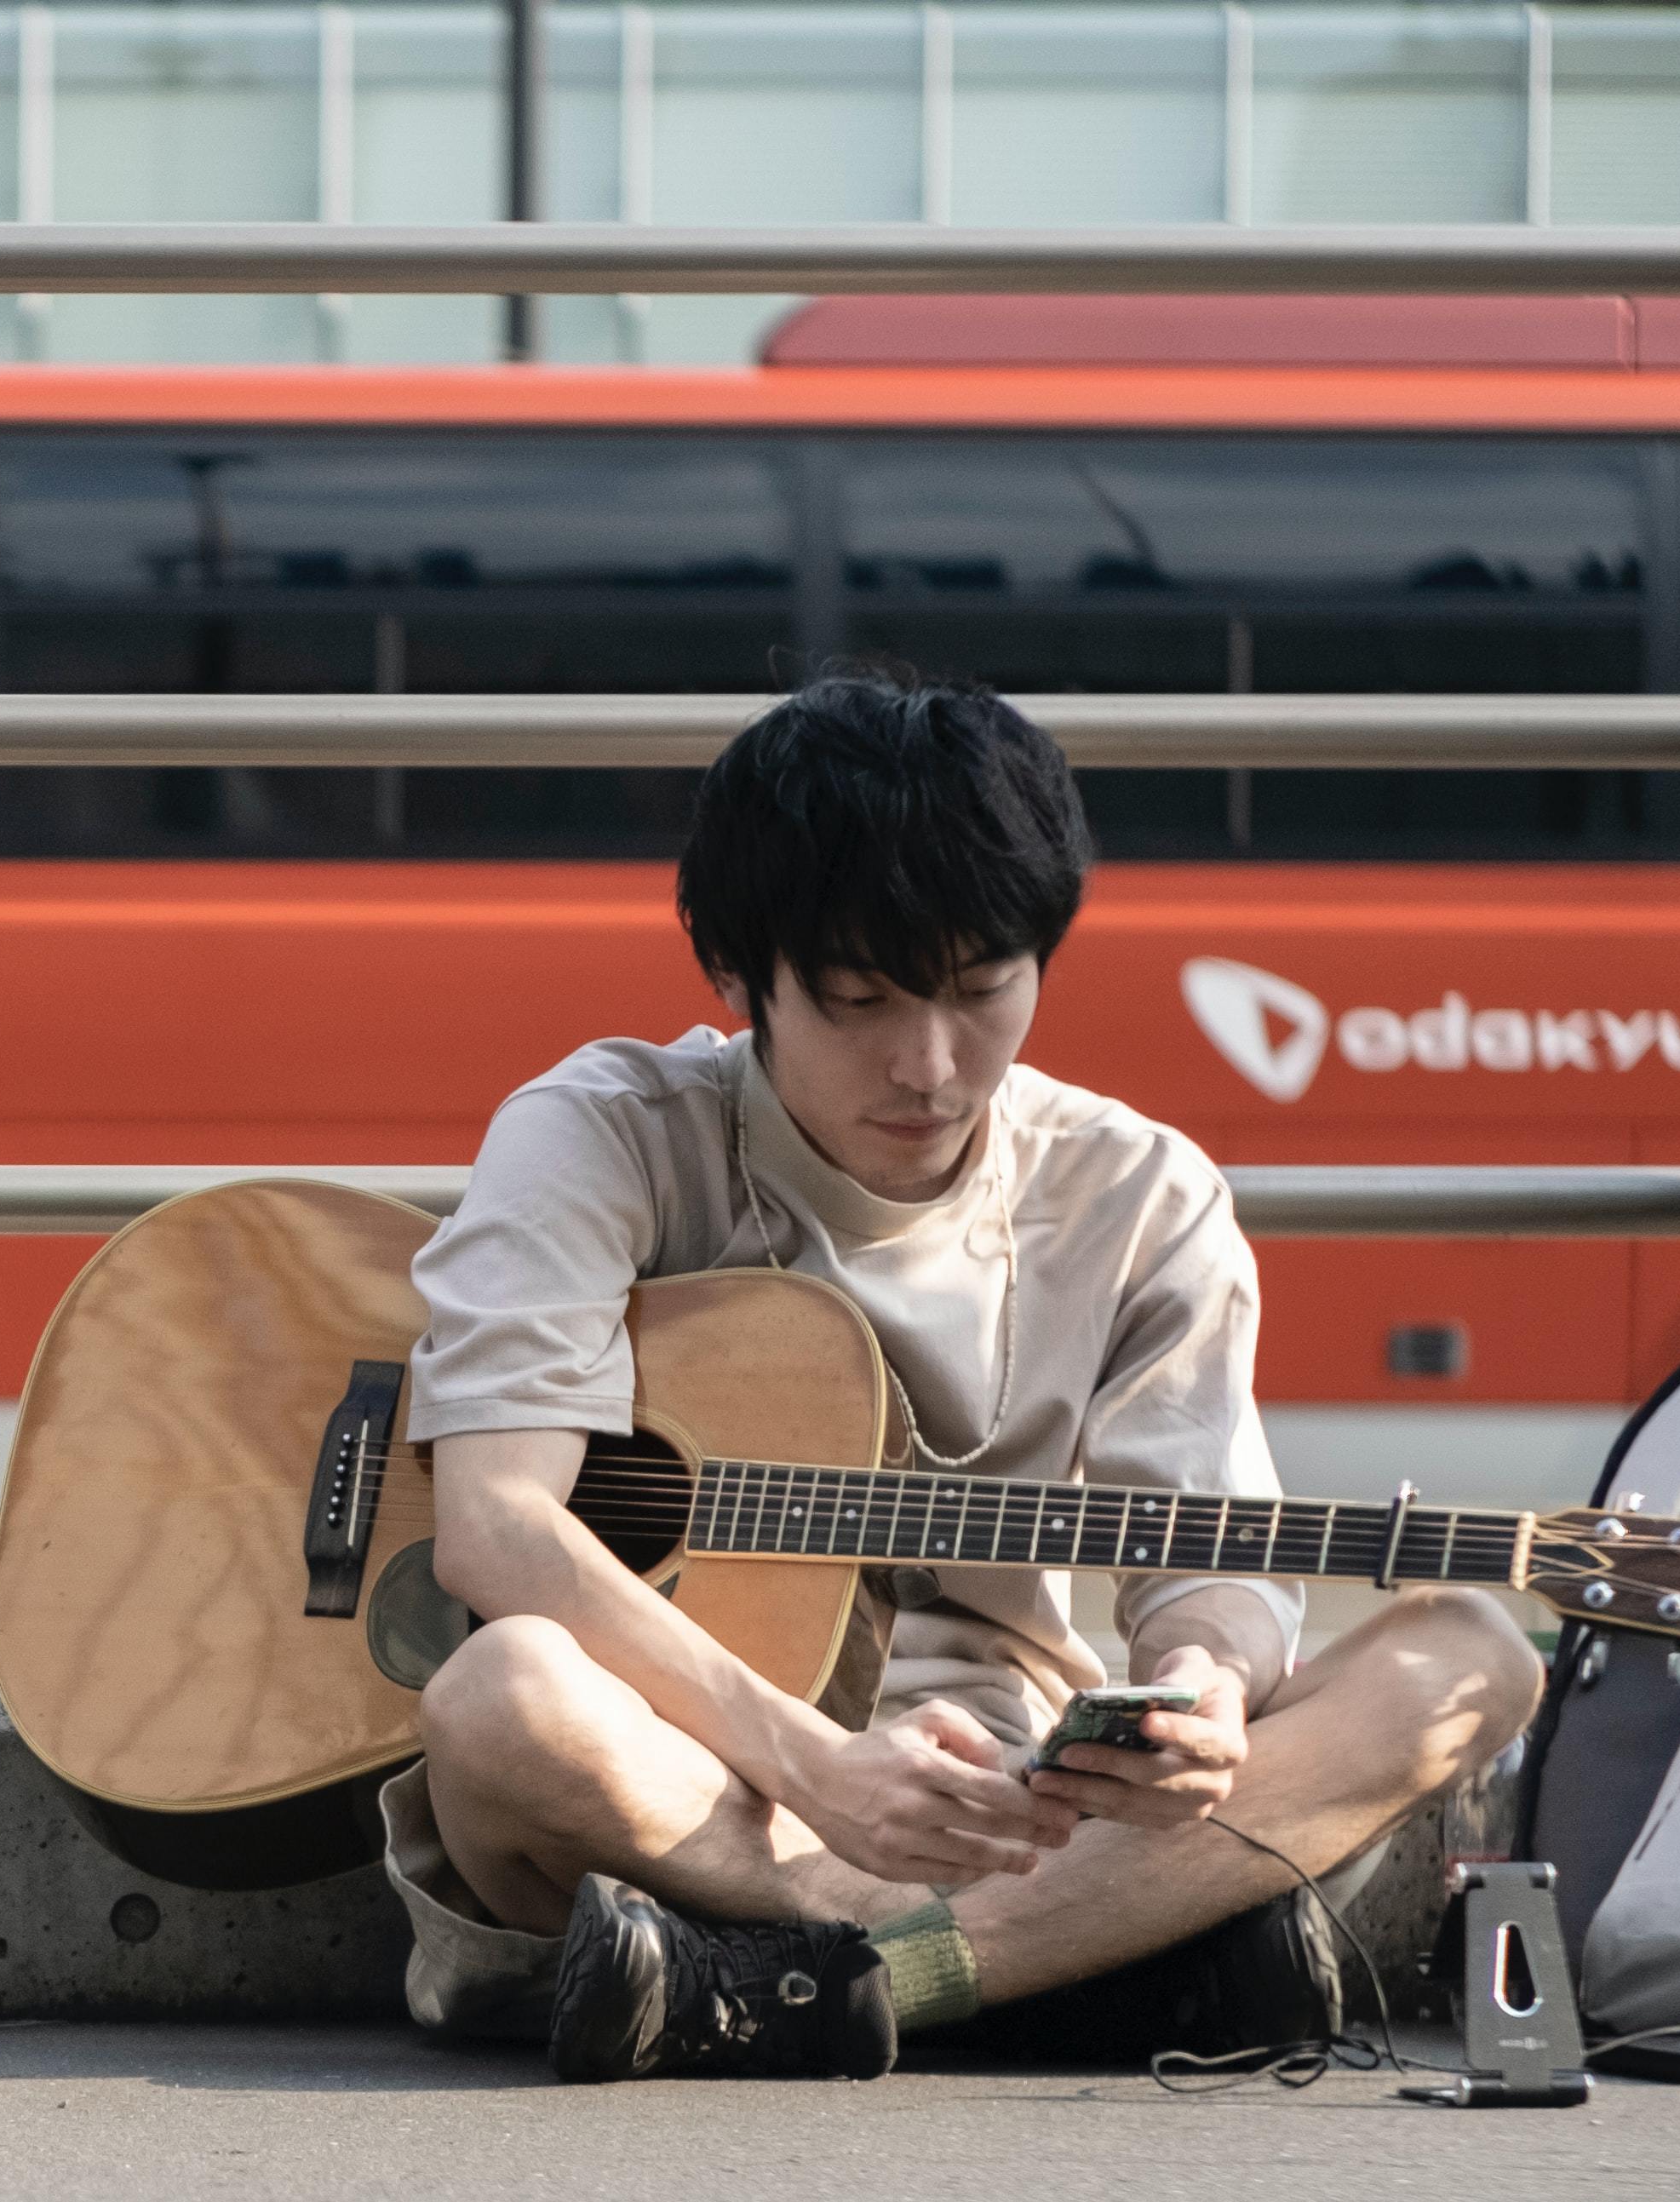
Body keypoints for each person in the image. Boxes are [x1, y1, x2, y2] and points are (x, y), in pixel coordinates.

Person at [394, 674, 1543, 2083]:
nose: (931, 1065)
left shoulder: (1138, 1190)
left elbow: (1205, 1547)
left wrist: (1200, 1687)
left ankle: (796, 1985)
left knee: (1469, 1656)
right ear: (736, 973)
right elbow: (499, 1526)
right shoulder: (603, 1134)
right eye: (859, 999)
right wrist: (815, 1768)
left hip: (1024, 1791)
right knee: (499, 1696)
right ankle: (1075, 1968)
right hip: (703, 1771)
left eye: (983, 988)